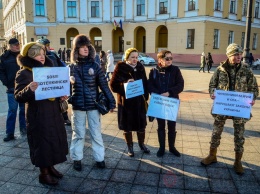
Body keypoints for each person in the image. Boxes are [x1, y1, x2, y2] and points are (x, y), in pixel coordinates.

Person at [14, 42, 68, 185]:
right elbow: (18, 96)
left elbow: (54, 89)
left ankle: (50, 167)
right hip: (37, 115)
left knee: (52, 140)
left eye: (43, 53)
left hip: (53, 112)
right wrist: (29, 89)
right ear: (30, 56)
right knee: (41, 143)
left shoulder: (49, 70)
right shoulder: (24, 73)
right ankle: (43, 174)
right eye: (37, 54)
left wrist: (61, 95)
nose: (42, 56)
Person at [201, 43, 259, 175]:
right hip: (222, 105)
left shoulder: (246, 70)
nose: (240, 56)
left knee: (239, 134)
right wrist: (212, 93)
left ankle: (238, 161)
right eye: (236, 54)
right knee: (216, 131)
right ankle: (212, 155)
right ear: (229, 55)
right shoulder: (220, 69)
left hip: (239, 107)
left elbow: (254, 88)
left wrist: (253, 98)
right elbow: (212, 84)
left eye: (240, 54)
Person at [68, 34, 116, 171]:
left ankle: (100, 159)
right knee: (78, 134)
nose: (85, 49)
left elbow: (104, 85)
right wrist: (68, 82)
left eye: (87, 47)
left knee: (96, 133)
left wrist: (111, 102)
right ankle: (77, 159)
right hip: (78, 107)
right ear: (76, 50)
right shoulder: (71, 67)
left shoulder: (95, 66)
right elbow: (64, 89)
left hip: (93, 106)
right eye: (82, 47)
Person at [110, 48, 150, 157]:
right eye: (132, 57)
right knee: (127, 126)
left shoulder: (140, 67)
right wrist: (125, 84)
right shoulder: (120, 68)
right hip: (126, 104)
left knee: (141, 125)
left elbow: (145, 83)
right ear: (127, 58)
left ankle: (141, 144)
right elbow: (113, 86)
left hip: (139, 102)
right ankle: (130, 147)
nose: (135, 59)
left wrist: (146, 97)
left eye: (136, 57)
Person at [147, 50, 184, 157]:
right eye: (167, 58)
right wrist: (157, 94)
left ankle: (172, 147)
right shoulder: (153, 71)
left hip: (171, 102)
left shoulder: (175, 70)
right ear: (160, 60)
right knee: (161, 125)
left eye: (171, 58)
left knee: (172, 126)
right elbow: (150, 85)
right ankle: (162, 148)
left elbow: (180, 85)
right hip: (159, 102)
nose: (169, 60)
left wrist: (169, 92)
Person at [36, 38, 71, 126]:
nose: (47, 47)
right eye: (45, 45)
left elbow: (61, 64)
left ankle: (65, 118)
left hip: (56, 81)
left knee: (61, 100)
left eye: (48, 45)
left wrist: (65, 71)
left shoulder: (53, 55)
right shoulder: (37, 57)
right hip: (45, 83)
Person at [0, 38, 26, 141]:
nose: (17, 46)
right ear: (10, 46)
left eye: (18, 44)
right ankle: (9, 133)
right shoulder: (4, 57)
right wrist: (6, 83)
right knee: (12, 110)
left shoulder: (23, 55)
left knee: (23, 110)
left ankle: (24, 130)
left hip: (24, 86)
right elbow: (1, 71)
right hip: (11, 88)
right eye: (15, 45)